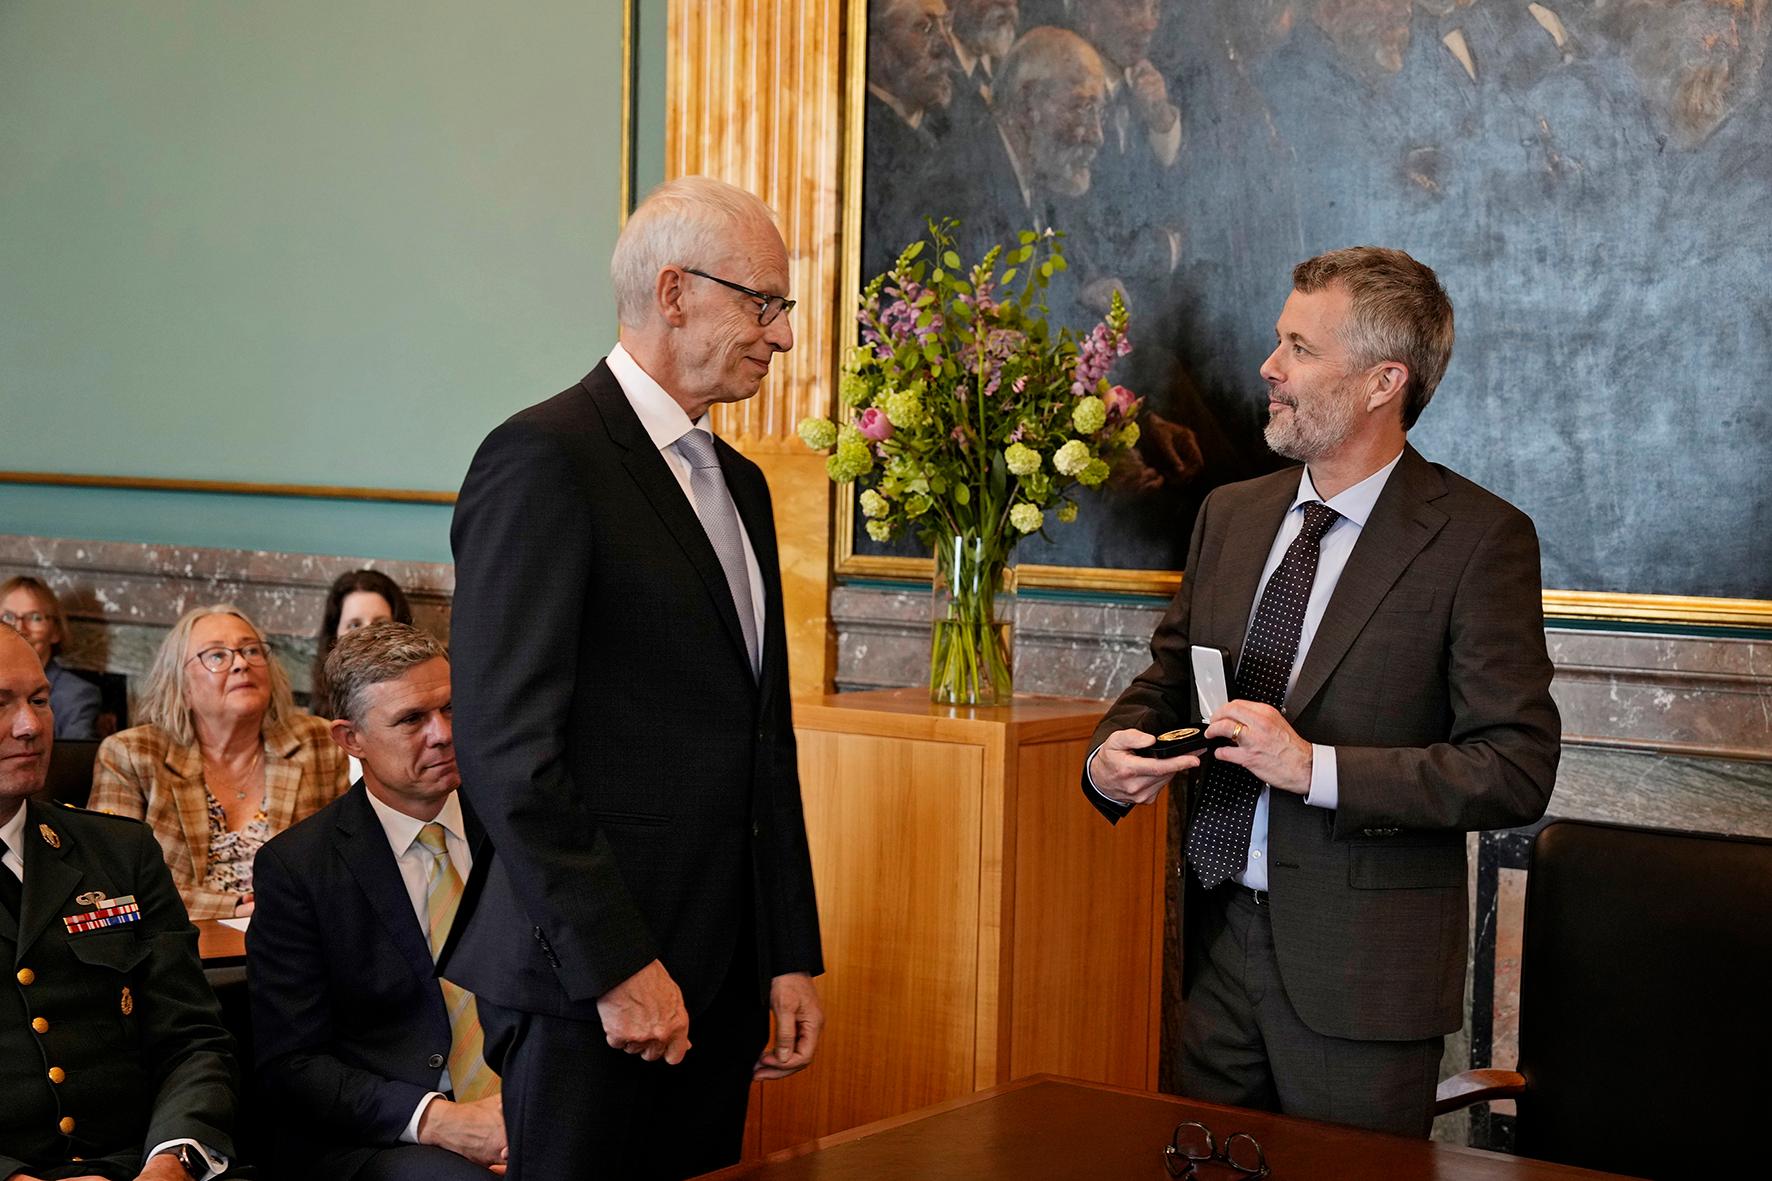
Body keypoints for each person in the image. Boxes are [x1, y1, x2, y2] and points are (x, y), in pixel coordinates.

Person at [1084, 247, 1561, 1137]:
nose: (1269, 368)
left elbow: (1515, 766)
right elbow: (1171, 675)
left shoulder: (1478, 540)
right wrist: (1110, 755)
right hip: (1214, 952)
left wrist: (1316, 768)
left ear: (1384, 381)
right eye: (1277, 341)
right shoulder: (1230, 513)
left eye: (1299, 347)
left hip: (1362, 982)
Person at [447, 176, 825, 1181]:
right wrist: (616, 964)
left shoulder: (737, 481)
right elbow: (507, 753)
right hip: (591, 985)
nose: (781, 335)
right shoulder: (543, 459)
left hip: (717, 977)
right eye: (763, 302)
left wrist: (784, 949)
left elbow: (760, 742)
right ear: (672, 292)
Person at [248, 623, 503, 1181]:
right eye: (412, 719)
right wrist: (438, 1121)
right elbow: (290, 1065)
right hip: (387, 1134)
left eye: (452, 709)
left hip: (523, 1102)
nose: (443, 734)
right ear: (349, 739)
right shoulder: (300, 868)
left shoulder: (515, 827)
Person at [0, 625, 239, 1181]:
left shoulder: (118, 852)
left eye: (40, 700)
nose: (29, 726)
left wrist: (173, 1159)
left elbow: (193, 1039)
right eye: (1, 704)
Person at [90, 605, 348, 920]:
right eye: (216, 656)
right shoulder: (131, 755)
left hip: (294, 941)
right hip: (180, 949)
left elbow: (347, 864)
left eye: (251, 650)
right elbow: (114, 885)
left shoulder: (318, 742)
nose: (240, 663)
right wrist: (236, 907)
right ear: (181, 687)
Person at [2, 576, 102, 741]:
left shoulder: (76, 695)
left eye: (35, 618)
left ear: (55, 631)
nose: (19, 629)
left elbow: (74, 761)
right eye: (7, 617)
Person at [309, 570, 414, 721]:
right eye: (354, 625)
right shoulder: (321, 705)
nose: (367, 634)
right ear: (335, 635)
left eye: (381, 623)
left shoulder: (417, 690)